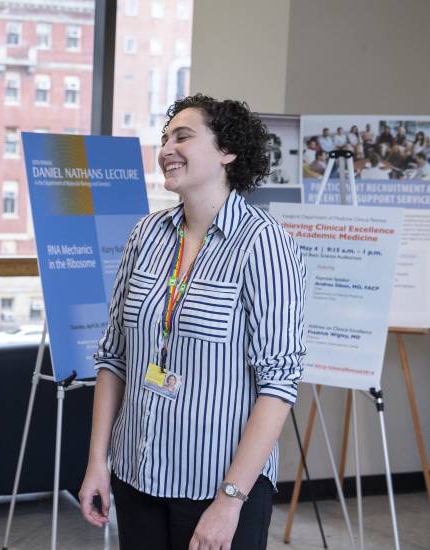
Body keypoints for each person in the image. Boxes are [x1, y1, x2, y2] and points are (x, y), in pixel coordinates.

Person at [79, 93, 306, 550]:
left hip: (216, 487)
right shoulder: (147, 234)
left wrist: (230, 501)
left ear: (228, 152)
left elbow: (279, 384)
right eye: (164, 138)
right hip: (136, 474)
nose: (166, 149)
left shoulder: (265, 245)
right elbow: (113, 355)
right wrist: (97, 462)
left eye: (183, 137)